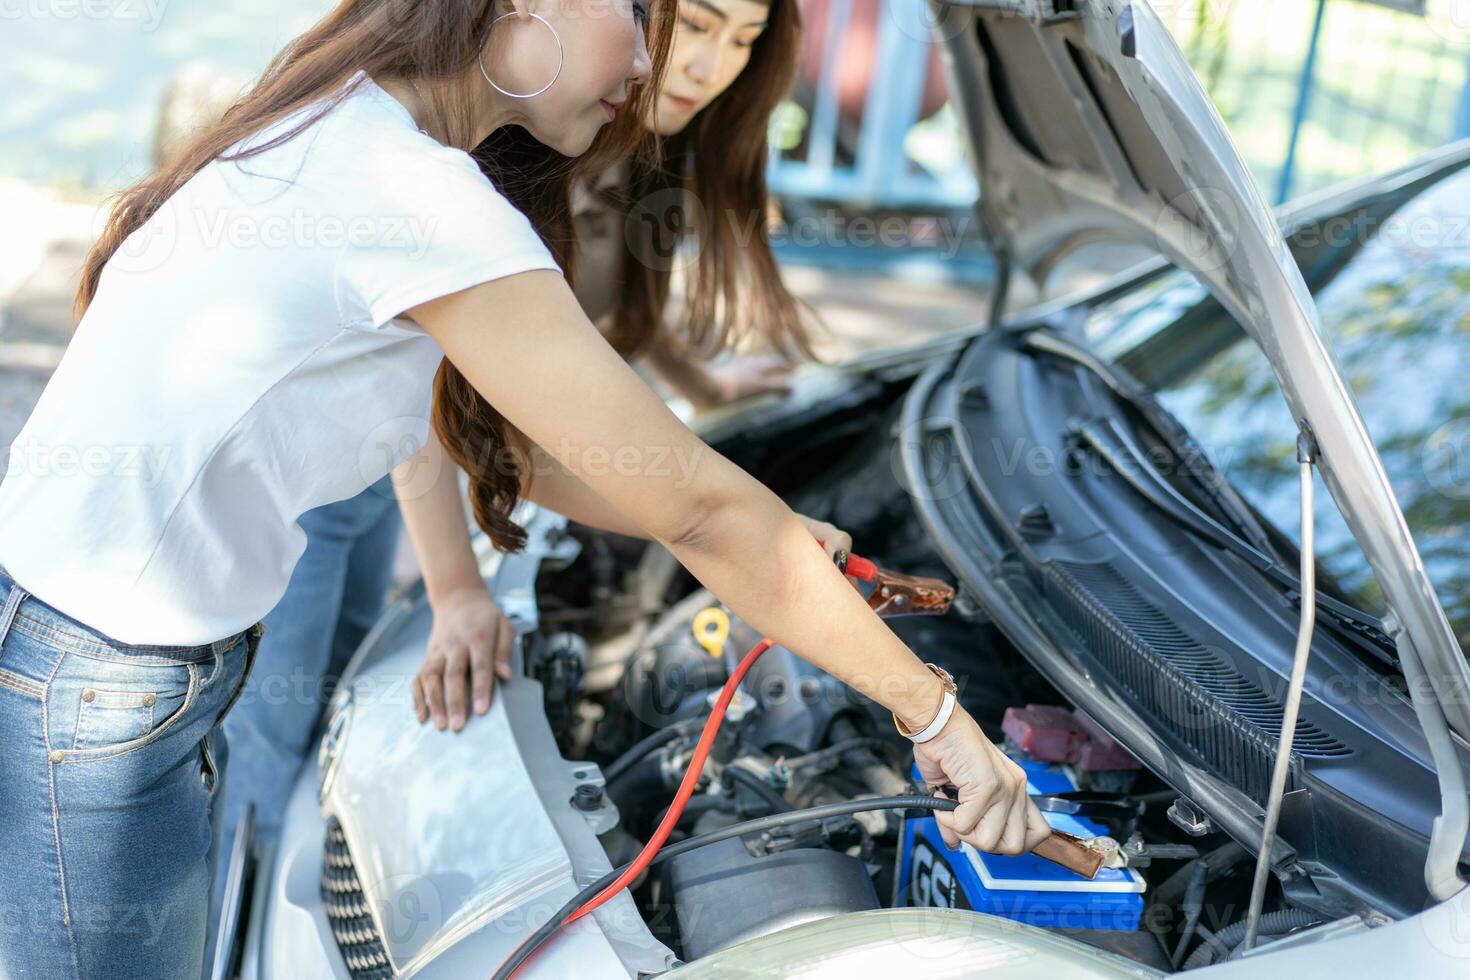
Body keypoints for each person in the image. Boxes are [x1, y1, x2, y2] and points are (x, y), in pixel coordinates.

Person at [0, 3, 1050, 979]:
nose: (647, 59)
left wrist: (783, 544)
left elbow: (534, 452)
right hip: (104, 688)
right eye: (633, 14)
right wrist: (937, 715)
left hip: (94, 660)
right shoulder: (419, 196)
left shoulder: (349, 113)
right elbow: (694, 506)